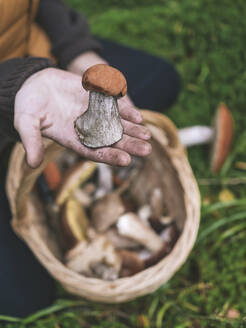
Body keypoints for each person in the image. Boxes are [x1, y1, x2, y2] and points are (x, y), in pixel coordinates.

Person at [0, 0, 180, 317]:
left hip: (38, 57)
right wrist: (15, 86)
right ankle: (25, 166)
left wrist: (77, 50)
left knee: (162, 80)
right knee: (25, 300)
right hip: (17, 87)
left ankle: (47, 165)